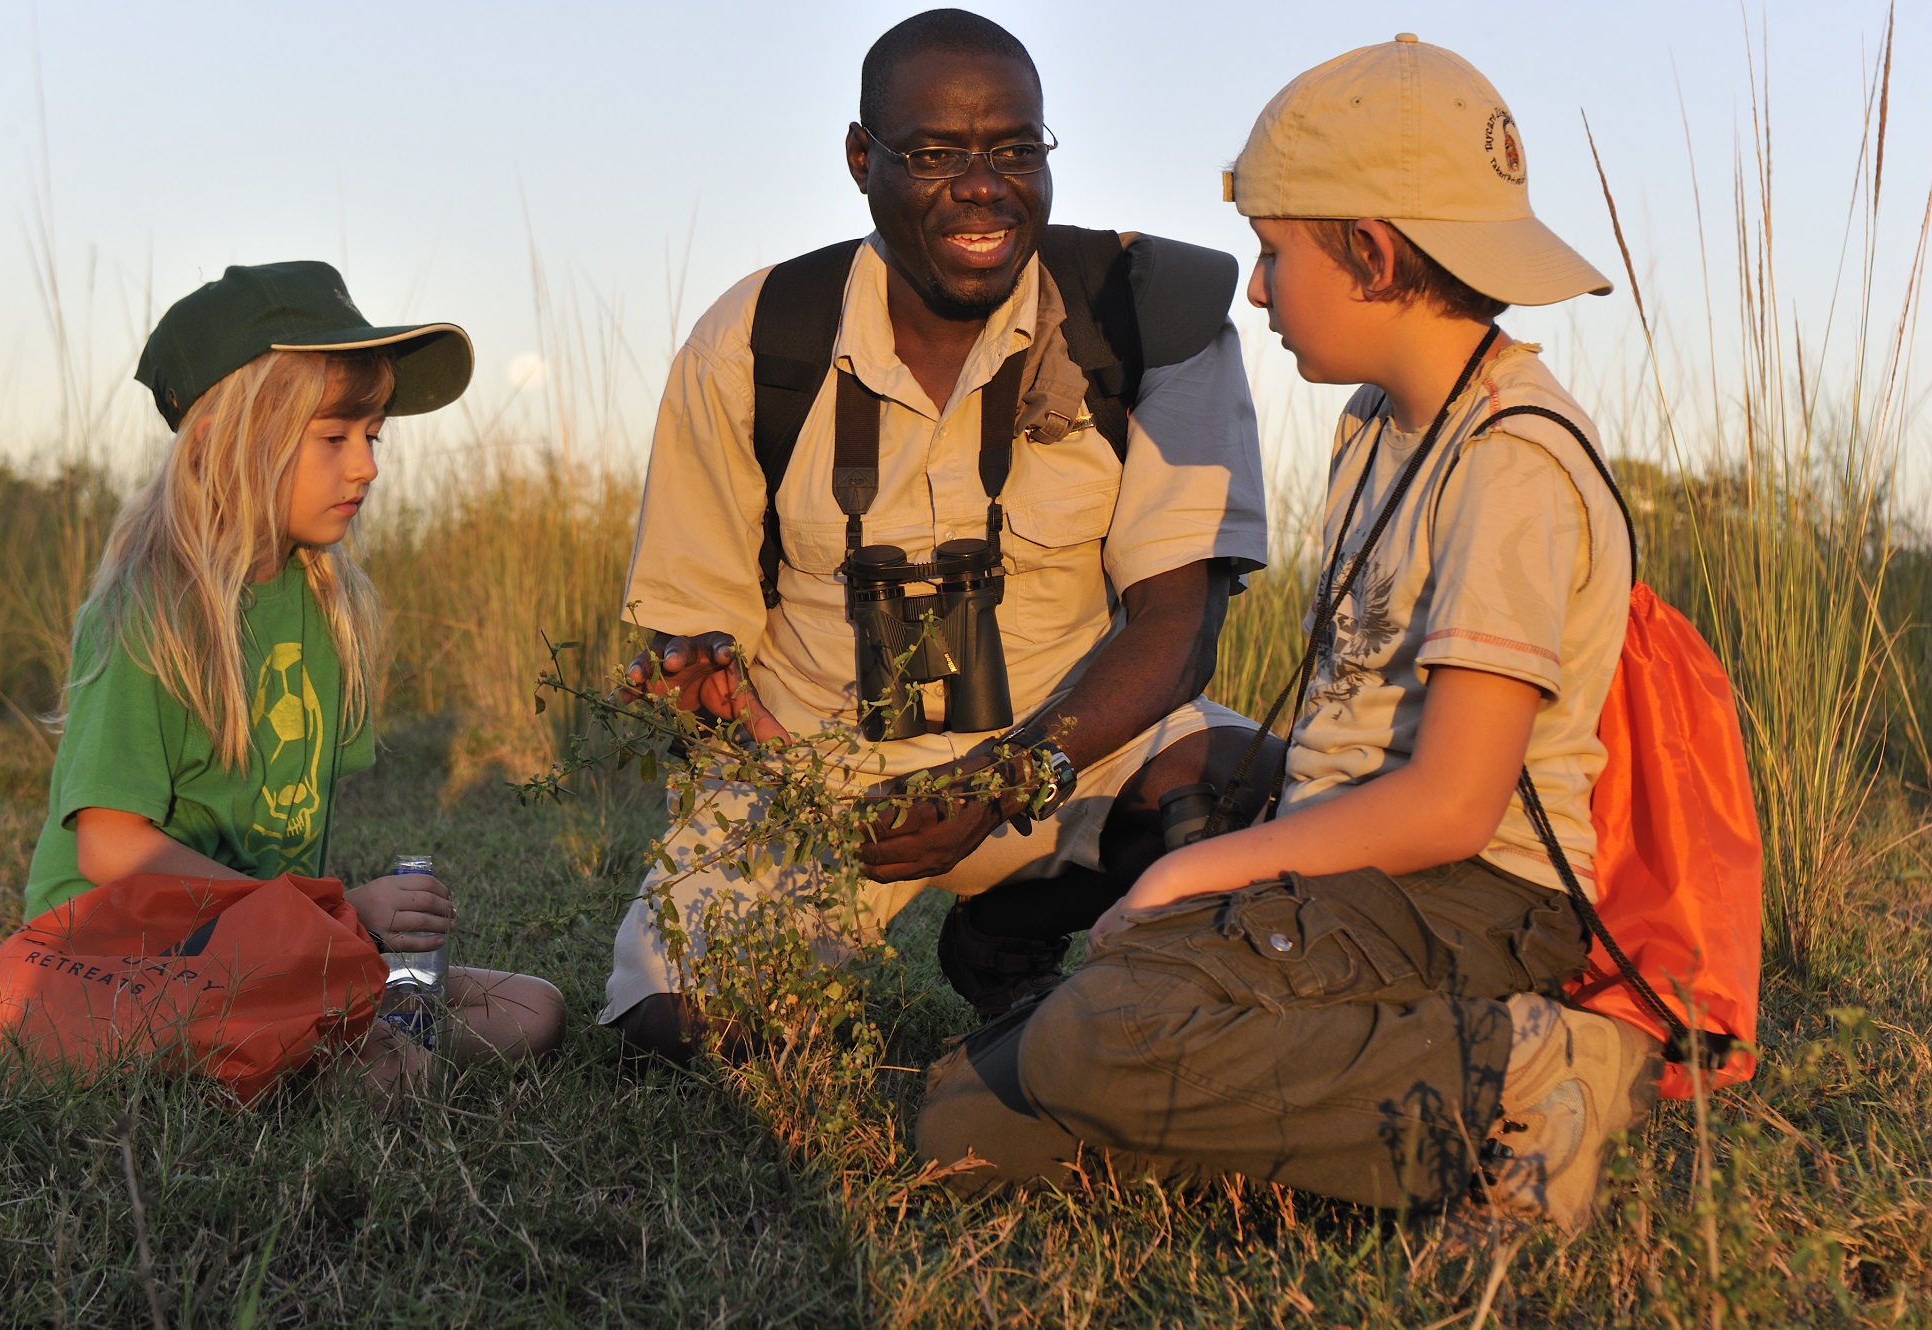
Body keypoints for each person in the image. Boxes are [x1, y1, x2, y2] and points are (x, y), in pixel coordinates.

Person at [916, 35, 1661, 1237]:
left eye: (1273, 253)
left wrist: (1191, 870)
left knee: (1092, 1042)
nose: (1255, 291)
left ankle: (1526, 1074)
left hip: (1463, 894)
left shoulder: (1511, 461)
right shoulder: (1378, 423)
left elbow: (1451, 806)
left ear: (1370, 252)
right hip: (1349, 874)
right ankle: (1307, 1097)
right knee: (960, 1122)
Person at [607, 8, 1272, 1058]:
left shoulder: (1147, 314)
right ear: (859, 159)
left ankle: (1007, 931)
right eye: (933, 155)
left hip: (1063, 758)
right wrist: (700, 679)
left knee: (1247, 799)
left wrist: (1001, 783)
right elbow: (694, 628)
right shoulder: (756, 336)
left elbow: (1179, 629)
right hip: (822, 783)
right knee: (674, 1032)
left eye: (1015, 149)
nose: (982, 186)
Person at [23, 261, 566, 1095]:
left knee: (533, 1009)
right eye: (334, 438)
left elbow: (281, 827)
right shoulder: (147, 613)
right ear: (225, 441)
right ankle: (305, 1050)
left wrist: (325, 931)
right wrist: (330, 910)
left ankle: (307, 1040)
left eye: (372, 436)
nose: (367, 467)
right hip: (115, 957)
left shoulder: (322, 604)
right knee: (394, 1070)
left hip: (259, 951)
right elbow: (109, 846)